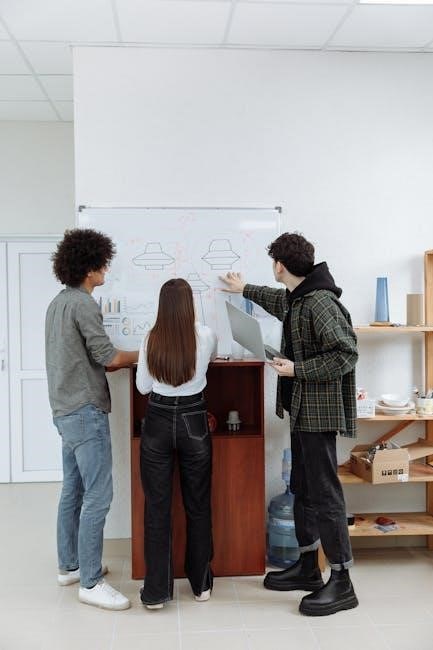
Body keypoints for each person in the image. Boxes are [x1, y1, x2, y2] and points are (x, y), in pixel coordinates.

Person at [220, 232, 359, 617]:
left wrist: (298, 369)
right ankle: (307, 566)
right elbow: (277, 300)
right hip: (302, 411)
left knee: (325, 493)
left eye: (273, 263)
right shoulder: (299, 297)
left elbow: (346, 353)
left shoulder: (320, 303)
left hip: (319, 413)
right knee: (303, 487)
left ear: (280, 265)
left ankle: (342, 581)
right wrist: (244, 288)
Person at [45, 228, 139, 611]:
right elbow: (109, 358)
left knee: (73, 490)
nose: (106, 270)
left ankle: (70, 566)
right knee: (99, 495)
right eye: (102, 265)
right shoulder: (84, 305)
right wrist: (148, 351)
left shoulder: (57, 303)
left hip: (64, 410)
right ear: (89, 269)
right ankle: (90, 582)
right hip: (85, 412)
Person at [136, 278, 217, 610]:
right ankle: (201, 585)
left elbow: (143, 387)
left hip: (157, 420)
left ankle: (156, 592)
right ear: (190, 304)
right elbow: (208, 365)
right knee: (198, 504)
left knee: (157, 508)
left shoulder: (150, 337)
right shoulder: (206, 335)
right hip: (193, 420)